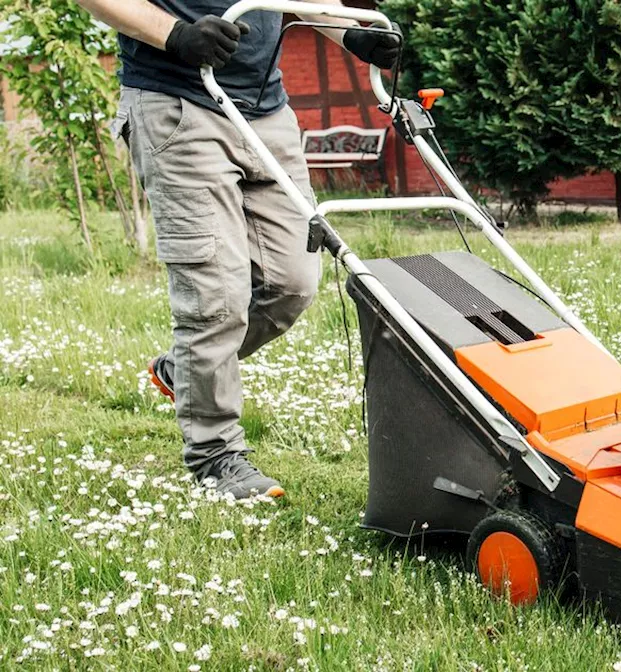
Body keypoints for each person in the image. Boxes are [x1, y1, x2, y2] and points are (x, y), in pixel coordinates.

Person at [75, 0, 400, 499]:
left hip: (267, 110)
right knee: (215, 299)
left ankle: (183, 370)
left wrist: (349, 34)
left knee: (293, 282)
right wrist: (176, 35)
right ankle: (215, 457)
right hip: (178, 102)